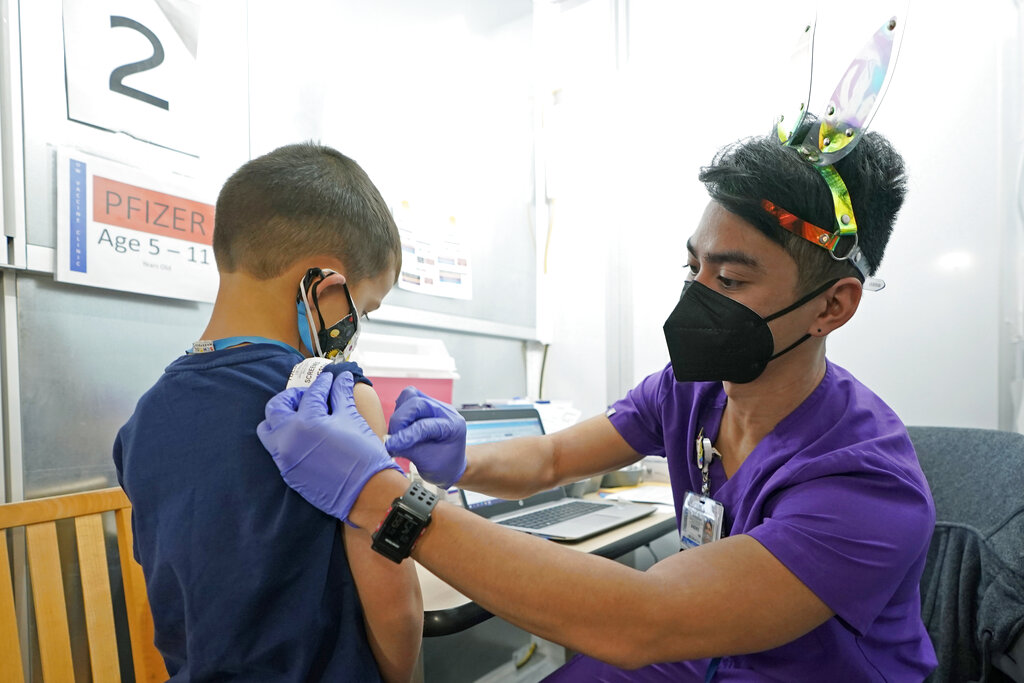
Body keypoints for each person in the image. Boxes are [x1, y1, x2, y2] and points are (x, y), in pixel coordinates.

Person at [257, 125, 938, 680]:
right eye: (692, 266)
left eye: (728, 277)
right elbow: (552, 454)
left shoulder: (867, 482)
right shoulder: (690, 391)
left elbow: (646, 618)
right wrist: (460, 457)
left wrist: (382, 498)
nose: (696, 295)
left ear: (831, 306)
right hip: (697, 658)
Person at [113, 142, 422, 682]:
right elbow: (396, 605)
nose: (353, 332)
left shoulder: (142, 419)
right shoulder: (338, 398)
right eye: (360, 310)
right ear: (323, 288)